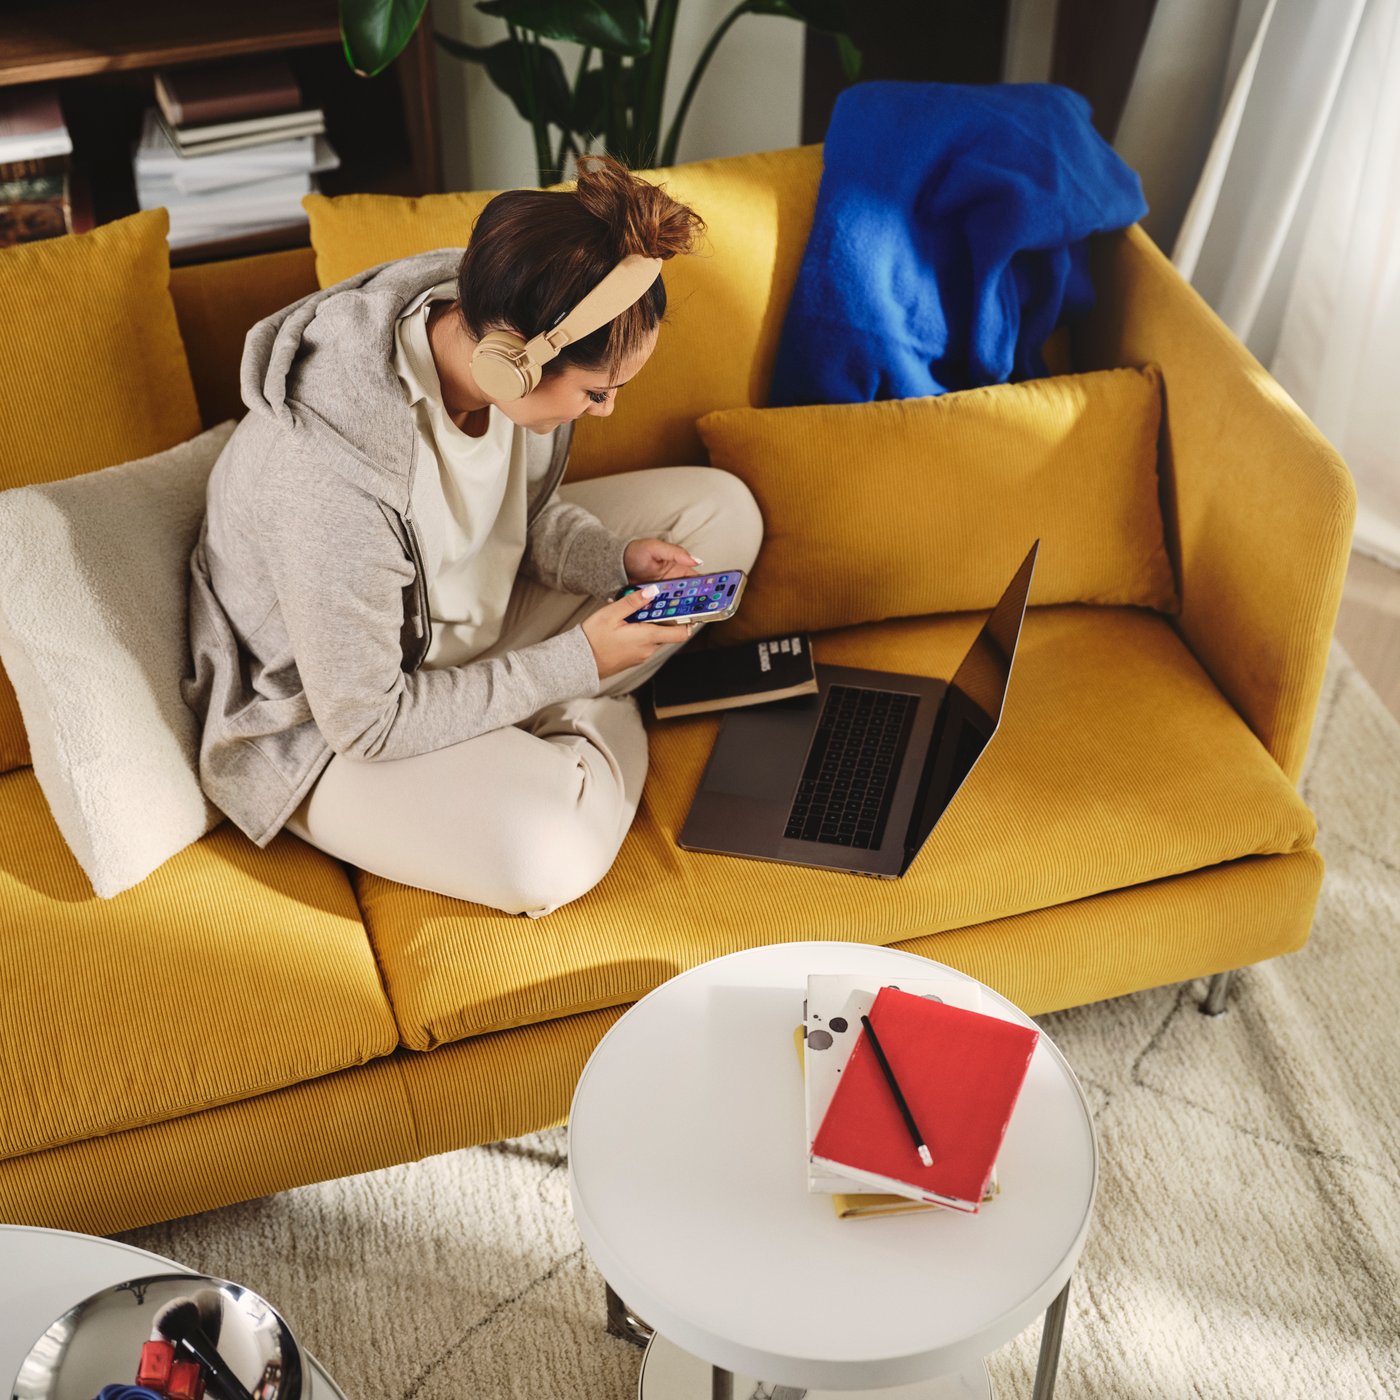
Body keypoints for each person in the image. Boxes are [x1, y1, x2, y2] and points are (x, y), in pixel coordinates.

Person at [184, 155, 763, 916]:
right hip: (331, 722)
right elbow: (367, 721)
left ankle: (547, 709)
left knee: (725, 516)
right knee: (546, 860)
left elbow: (510, 513)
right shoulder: (329, 480)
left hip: (456, 629)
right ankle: (587, 709)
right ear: (513, 361)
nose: (608, 412)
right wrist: (578, 661)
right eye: (597, 392)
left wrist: (609, 558)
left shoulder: (488, 313)